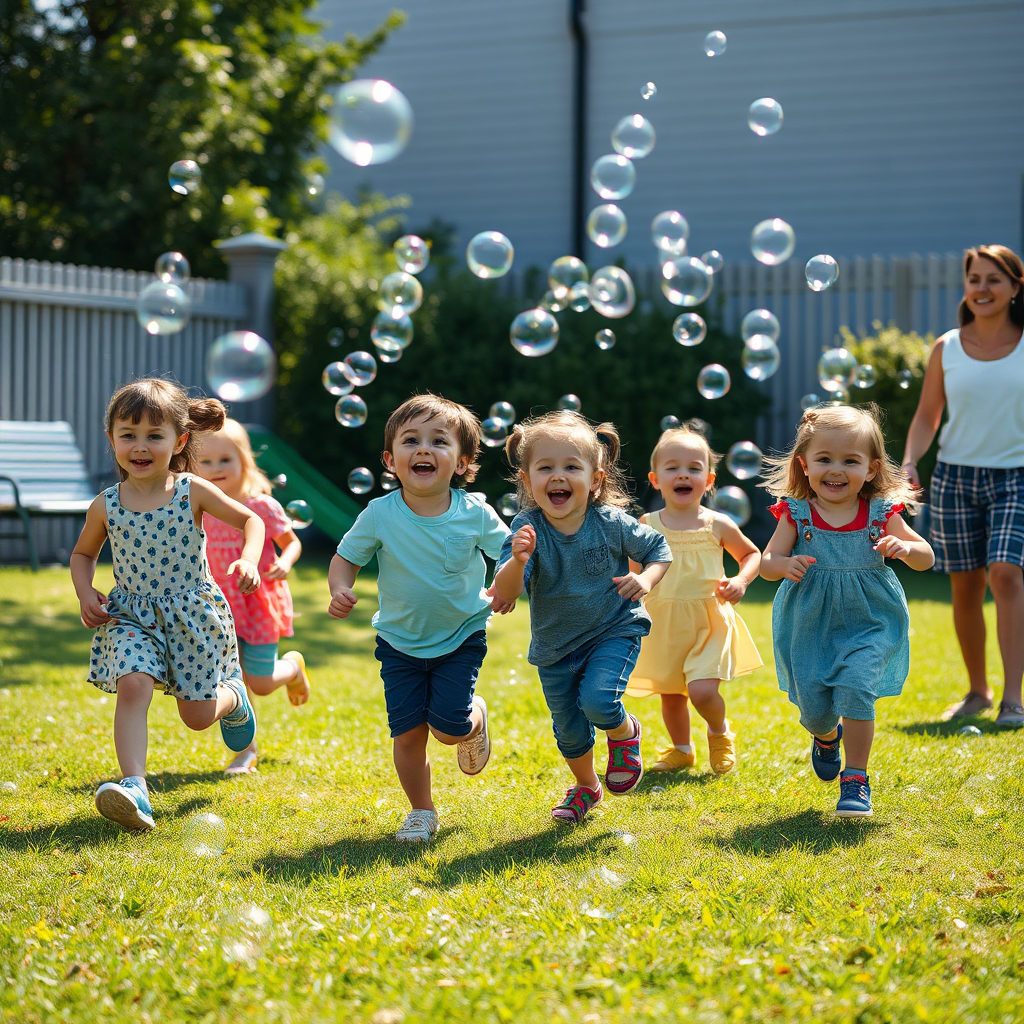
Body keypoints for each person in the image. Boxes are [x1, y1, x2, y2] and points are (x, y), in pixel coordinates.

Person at [70, 379, 262, 832]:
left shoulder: (191, 490)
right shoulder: (106, 504)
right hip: (132, 616)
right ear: (111, 439)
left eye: (154, 436)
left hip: (192, 617)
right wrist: (85, 591)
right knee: (133, 684)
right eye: (128, 434)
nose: (140, 446)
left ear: (178, 441)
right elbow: (82, 554)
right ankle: (135, 787)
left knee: (196, 718)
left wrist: (248, 559)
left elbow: (250, 519)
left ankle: (233, 698)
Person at [327, 394, 510, 843]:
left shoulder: (475, 512)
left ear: (463, 461)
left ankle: (473, 720)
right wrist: (339, 586)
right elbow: (345, 557)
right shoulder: (379, 514)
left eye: (438, 441)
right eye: (411, 441)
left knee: (448, 730)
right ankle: (421, 812)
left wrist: (513, 570)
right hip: (399, 642)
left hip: (460, 634)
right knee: (408, 735)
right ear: (390, 459)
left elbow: (505, 551)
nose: (423, 449)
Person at [492, 411, 672, 824]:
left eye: (572, 466)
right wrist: (518, 561)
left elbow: (659, 551)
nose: (558, 476)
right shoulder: (526, 527)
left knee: (598, 701)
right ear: (527, 479)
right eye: (546, 467)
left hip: (613, 628)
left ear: (595, 479)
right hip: (555, 647)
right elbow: (506, 593)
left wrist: (645, 580)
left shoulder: (609, 523)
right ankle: (587, 787)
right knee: (569, 731)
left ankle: (624, 732)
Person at [760, 404, 933, 818]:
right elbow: (767, 563)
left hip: (869, 620)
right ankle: (824, 736)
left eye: (850, 461)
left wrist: (906, 549)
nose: (836, 470)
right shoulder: (796, 514)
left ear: (871, 470)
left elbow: (926, 556)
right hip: (811, 623)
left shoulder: (879, 514)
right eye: (824, 459)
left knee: (857, 689)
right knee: (815, 708)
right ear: (804, 465)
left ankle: (855, 778)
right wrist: (784, 565)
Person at [902, 245, 1024, 727]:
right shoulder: (946, 347)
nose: (982, 288)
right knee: (966, 587)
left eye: (994, 279)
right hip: (955, 476)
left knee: (1006, 575)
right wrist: (911, 461)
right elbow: (927, 417)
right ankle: (979, 692)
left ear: (1015, 286)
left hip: (1016, 476)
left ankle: (1014, 698)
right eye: (974, 279)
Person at [625, 424, 762, 775]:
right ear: (655, 479)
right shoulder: (647, 523)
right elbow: (636, 571)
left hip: (708, 621)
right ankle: (682, 749)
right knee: (671, 695)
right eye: (672, 468)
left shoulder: (718, 524)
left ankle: (719, 732)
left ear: (709, 479)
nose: (683, 474)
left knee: (701, 691)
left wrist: (741, 580)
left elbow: (751, 555)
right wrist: (633, 586)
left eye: (693, 468)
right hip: (663, 623)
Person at [196, 419, 311, 776]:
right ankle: (245, 752)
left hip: (257, 603)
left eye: (225, 460)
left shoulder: (261, 507)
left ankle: (292, 667)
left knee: (259, 683)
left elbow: (291, 543)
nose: (215, 469)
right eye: (206, 461)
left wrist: (285, 563)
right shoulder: (195, 506)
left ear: (244, 461)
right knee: (229, 681)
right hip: (215, 608)